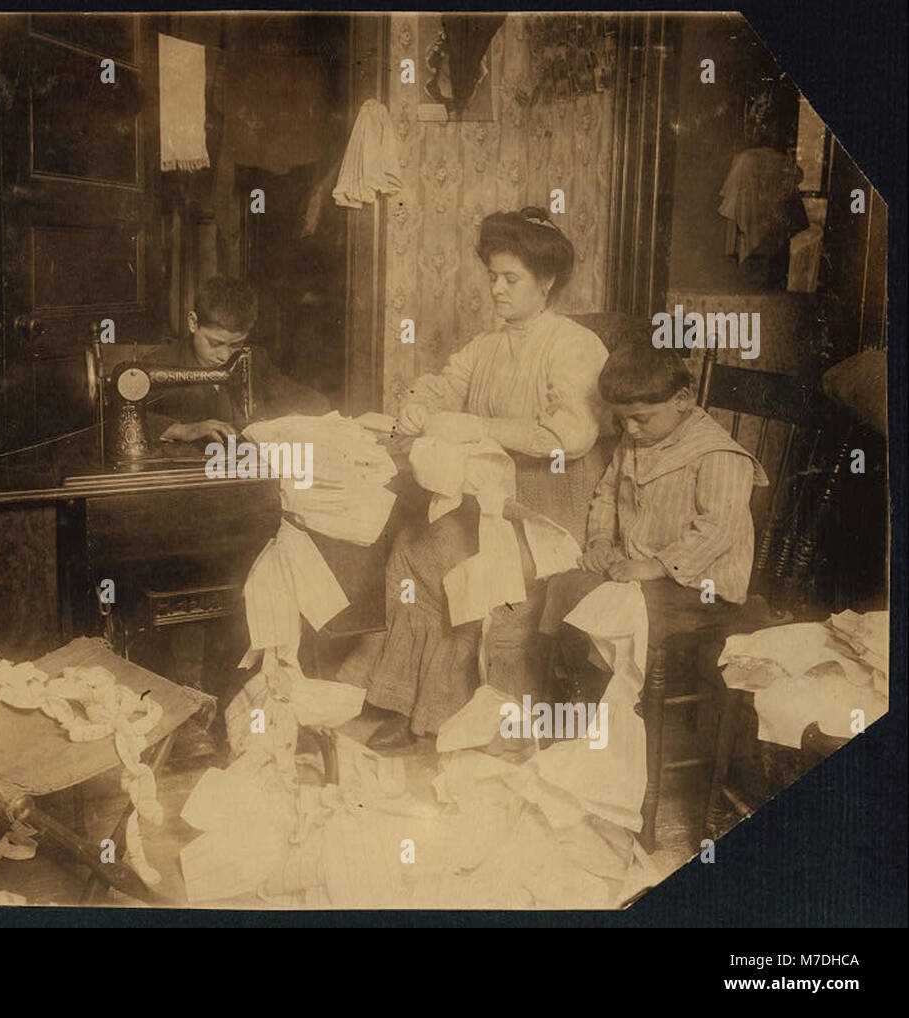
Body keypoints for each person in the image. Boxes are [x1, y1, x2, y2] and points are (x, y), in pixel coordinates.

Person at [340, 207, 611, 749]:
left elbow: (568, 437)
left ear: (547, 282)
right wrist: (419, 404)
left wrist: (479, 425)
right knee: (413, 552)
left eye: (510, 279)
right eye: (492, 277)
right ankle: (410, 702)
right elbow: (445, 385)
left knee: (470, 572)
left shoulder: (574, 346)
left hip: (552, 508)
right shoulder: (488, 345)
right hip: (497, 501)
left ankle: (471, 719)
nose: (497, 290)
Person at [539, 341, 768, 669]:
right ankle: (577, 688)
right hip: (643, 572)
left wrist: (659, 567)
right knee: (566, 584)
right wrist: (601, 541)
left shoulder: (718, 454)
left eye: (641, 418)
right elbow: (607, 493)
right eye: (622, 420)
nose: (630, 429)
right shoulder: (636, 440)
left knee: (610, 606)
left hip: (702, 590)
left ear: (682, 400)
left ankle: (610, 698)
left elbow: (719, 529)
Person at [142, 276, 329, 445]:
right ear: (193, 322)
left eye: (236, 345)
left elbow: (310, 400)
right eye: (215, 343)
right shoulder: (158, 364)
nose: (224, 356)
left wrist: (295, 415)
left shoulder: (256, 359)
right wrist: (181, 430)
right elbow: (119, 416)